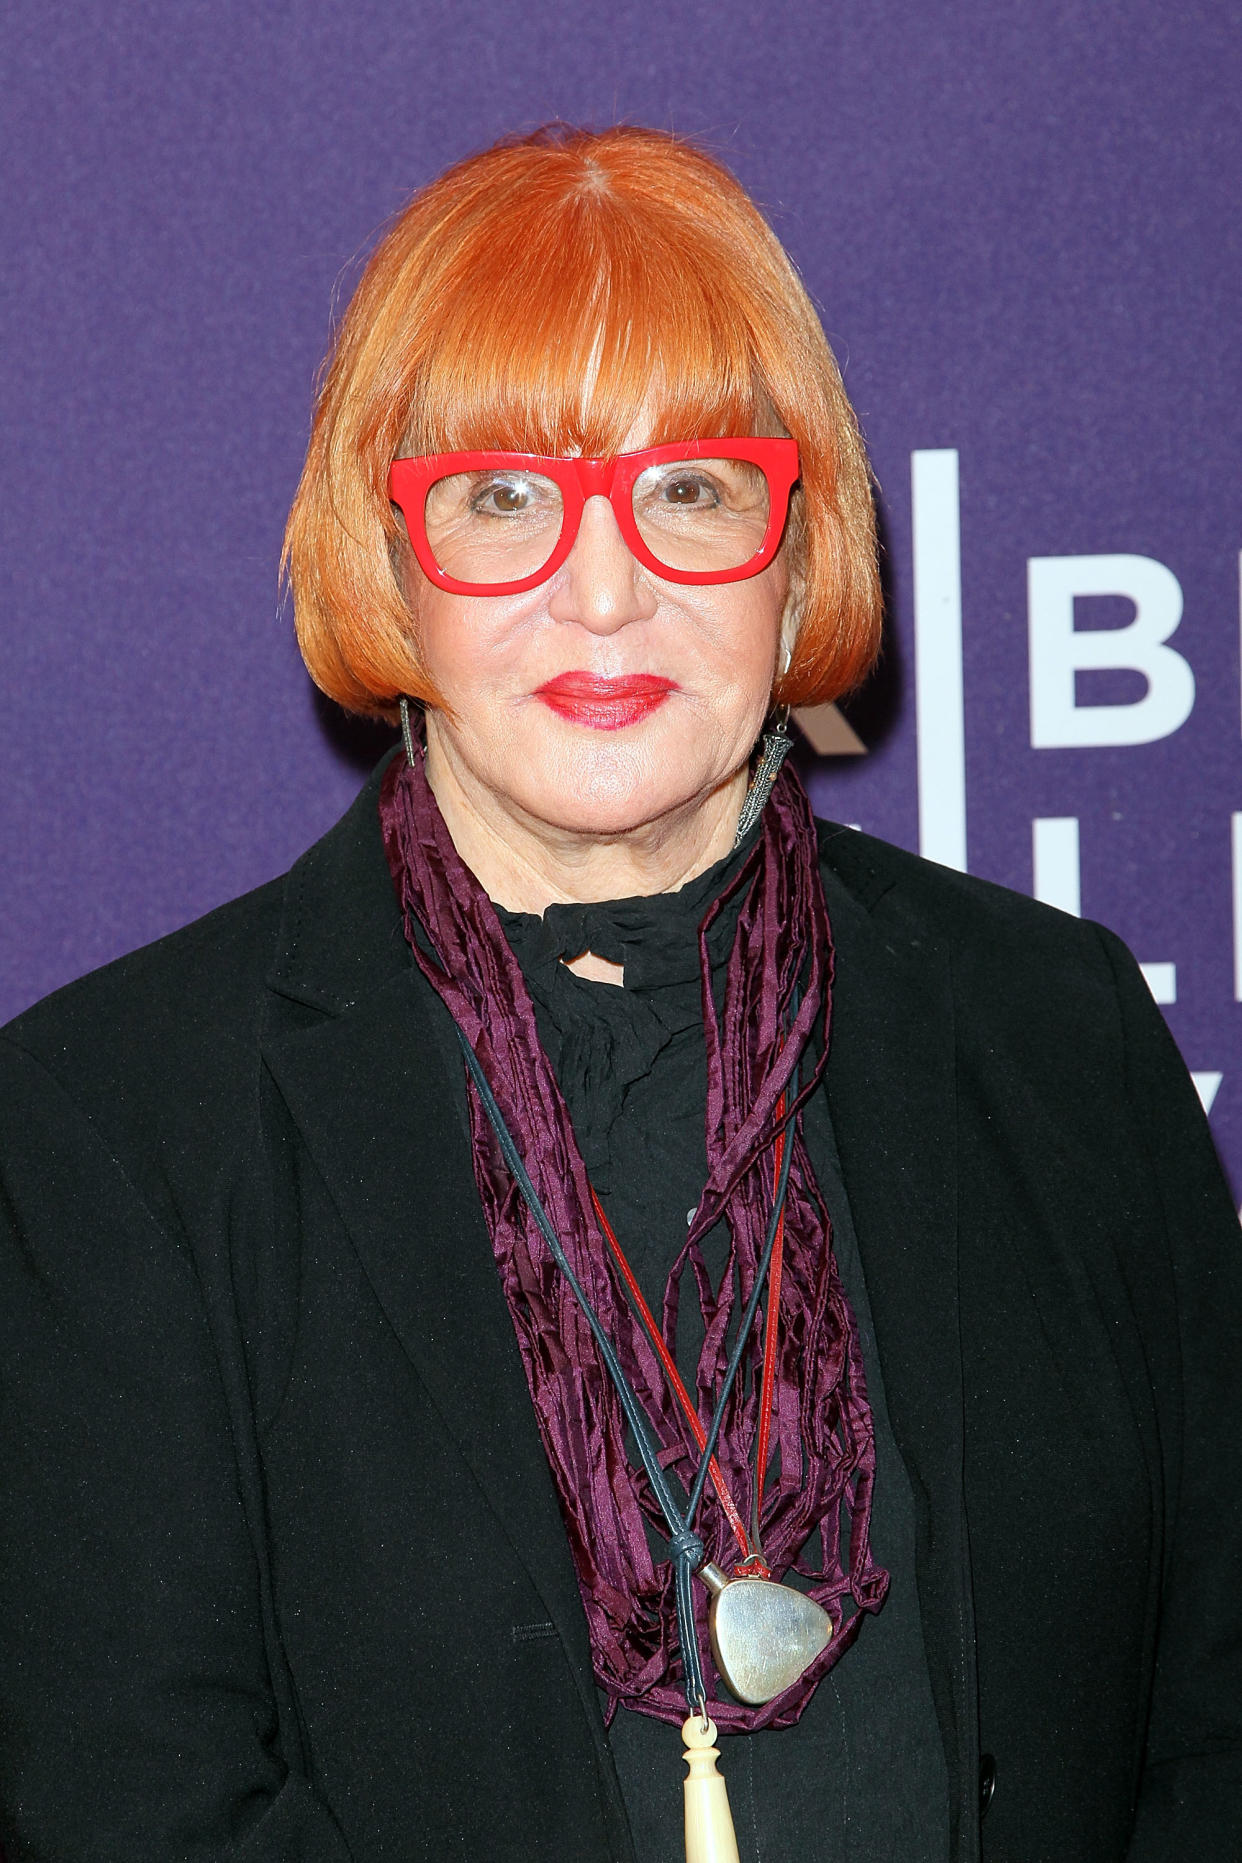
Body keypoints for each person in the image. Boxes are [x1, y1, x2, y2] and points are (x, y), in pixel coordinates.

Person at [1, 124, 1239, 1863]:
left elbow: (1211, 1707)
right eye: (504, 497)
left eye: (691, 488)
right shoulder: (119, 1124)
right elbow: (132, 1799)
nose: (606, 587)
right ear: (390, 555)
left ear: (795, 542)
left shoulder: (1055, 1026)